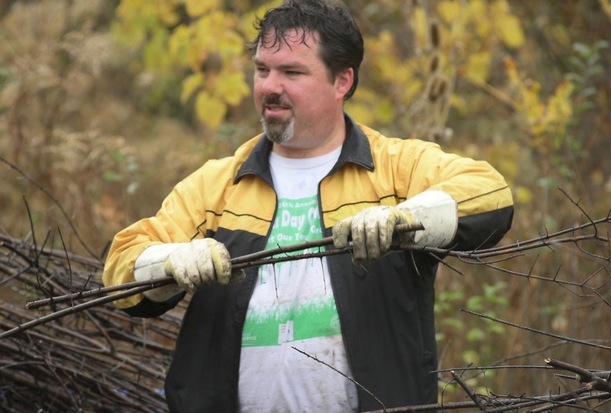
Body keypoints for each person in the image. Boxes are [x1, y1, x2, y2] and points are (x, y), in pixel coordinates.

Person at [102, 0, 514, 412]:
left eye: (292, 72)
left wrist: (403, 219)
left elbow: (490, 193)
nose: (269, 86)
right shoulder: (218, 185)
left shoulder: (395, 171)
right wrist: (169, 262)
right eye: (262, 70)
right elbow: (122, 267)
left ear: (342, 81)